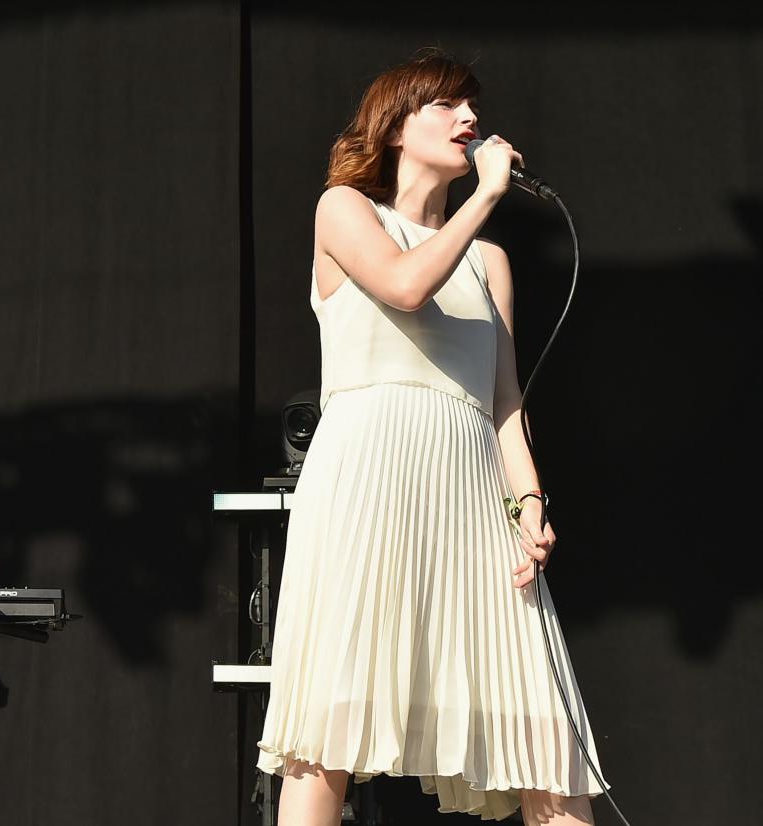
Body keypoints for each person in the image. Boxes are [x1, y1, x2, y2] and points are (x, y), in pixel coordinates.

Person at [256, 51, 606, 825]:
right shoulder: (344, 210)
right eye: (446, 104)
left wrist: (529, 503)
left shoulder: (490, 261)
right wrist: (485, 196)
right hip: (365, 483)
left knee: (544, 734)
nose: (469, 119)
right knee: (331, 731)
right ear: (396, 123)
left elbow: (505, 403)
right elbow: (406, 286)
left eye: (471, 106)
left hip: (471, 492)